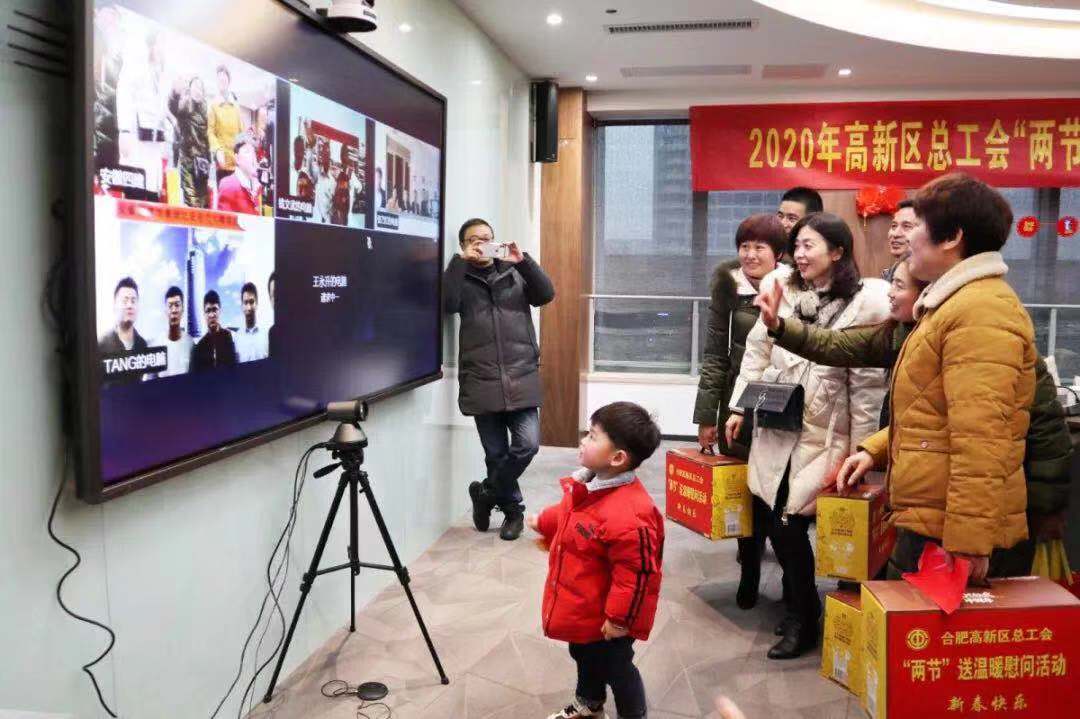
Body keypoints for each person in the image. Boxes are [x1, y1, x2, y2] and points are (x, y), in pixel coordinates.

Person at [759, 252, 1073, 578]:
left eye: (899, 285)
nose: (890, 294)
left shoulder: (975, 326)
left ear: (927, 292)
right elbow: (842, 348)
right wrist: (779, 327)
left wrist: (1045, 512)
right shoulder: (909, 332)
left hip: (978, 517)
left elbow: (998, 436)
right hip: (935, 506)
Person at [835, 173, 1038, 585]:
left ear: (952, 237)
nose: (907, 237)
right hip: (933, 516)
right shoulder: (952, 303)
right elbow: (932, 410)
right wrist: (877, 450)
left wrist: (968, 543)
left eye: (918, 225)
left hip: (949, 534)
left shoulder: (980, 311)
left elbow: (981, 439)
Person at [725, 212, 889, 659]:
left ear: (837, 251)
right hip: (775, 422)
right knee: (773, 516)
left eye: (809, 245)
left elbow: (867, 389)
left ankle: (803, 616)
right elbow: (757, 351)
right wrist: (739, 406)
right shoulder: (782, 289)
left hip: (826, 433)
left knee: (793, 521)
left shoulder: (863, 303)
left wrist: (862, 451)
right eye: (796, 245)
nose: (799, 254)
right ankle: (801, 606)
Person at [527, 402, 664, 719]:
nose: (583, 440)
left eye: (592, 436)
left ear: (617, 458)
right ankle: (589, 703)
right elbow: (569, 513)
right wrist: (544, 521)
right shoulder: (589, 485)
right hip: (585, 608)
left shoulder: (630, 515)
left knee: (617, 668)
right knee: (583, 652)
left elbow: (636, 575)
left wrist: (619, 620)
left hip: (611, 618)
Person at [693, 213, 787, 610]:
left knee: (778, 497)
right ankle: (749, 573)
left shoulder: (792, 284)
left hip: (783, 404)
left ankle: (792, 582)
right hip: (738, 405)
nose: (750, 254)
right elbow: (715, 355)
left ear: (777, 253)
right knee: (747, 492)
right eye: (744, 246)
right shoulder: (727, 283)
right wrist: (706, 417)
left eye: (759, 247)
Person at [443, 218, 555, 540]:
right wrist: (459, 262)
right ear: (464, 245)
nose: (481, 244)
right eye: (474, 240)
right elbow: (447, 304)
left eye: (487, 238)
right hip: (482, 379)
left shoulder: (515, 271)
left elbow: (546, 294)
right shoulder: (460, 277)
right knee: (495, 453)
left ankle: (485, 494)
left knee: (527, 445)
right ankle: (513, 512)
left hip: (521, 375)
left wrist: (524, 261)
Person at [168, 76, 211, 208]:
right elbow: (173, 107)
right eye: (195, 86)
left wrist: (209, 160)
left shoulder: (206, 109)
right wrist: (175, 93)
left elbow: (208, 137)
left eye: (201, 88)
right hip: (188, 161)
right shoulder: (185, 104)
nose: (198, 90)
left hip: (202, 164)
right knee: (191, 202)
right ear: (190, 88)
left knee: (203, 203)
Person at [208, 65, 243, 180]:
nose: (222, 82)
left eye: (224, 79)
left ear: (229, 81)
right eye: (219, 80)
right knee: (224, 190)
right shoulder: (213, 106)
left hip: (237, 162)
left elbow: (241, 133)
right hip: (222, 162)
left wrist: (244, 152)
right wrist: (217, 150)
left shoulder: (236, 107)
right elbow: (210, 132)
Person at [190, 290, 238, 370]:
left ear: (220, 311)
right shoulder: (199, 348)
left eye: (215, 310)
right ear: (204, 314)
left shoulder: (230, 338)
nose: (212, 315)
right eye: (208, 311)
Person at [99, 277, 148, 353]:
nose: (129, 306)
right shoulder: (102, 344)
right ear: (115, 305)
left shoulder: (142, 344)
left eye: (133, 301)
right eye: (125, 301)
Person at [155, 286, 193, 377]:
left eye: (177, 305)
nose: (174, 310)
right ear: (165, 310)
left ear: (183, 309)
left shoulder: (190, 344)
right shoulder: (157, 344)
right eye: (170, 306)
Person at [217, 137, 261, 215]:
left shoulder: (258, 185)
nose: (253, 157)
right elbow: (224, 219)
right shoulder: (228, 184)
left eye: (254, 153)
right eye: (247, 152)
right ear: (237, 158)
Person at [235, 282, 268, 363]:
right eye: (245, 302)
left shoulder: (266, 334)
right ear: (242, 306)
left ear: (257, 303)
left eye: (251, 302)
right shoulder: (237, 338)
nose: (249, 307)